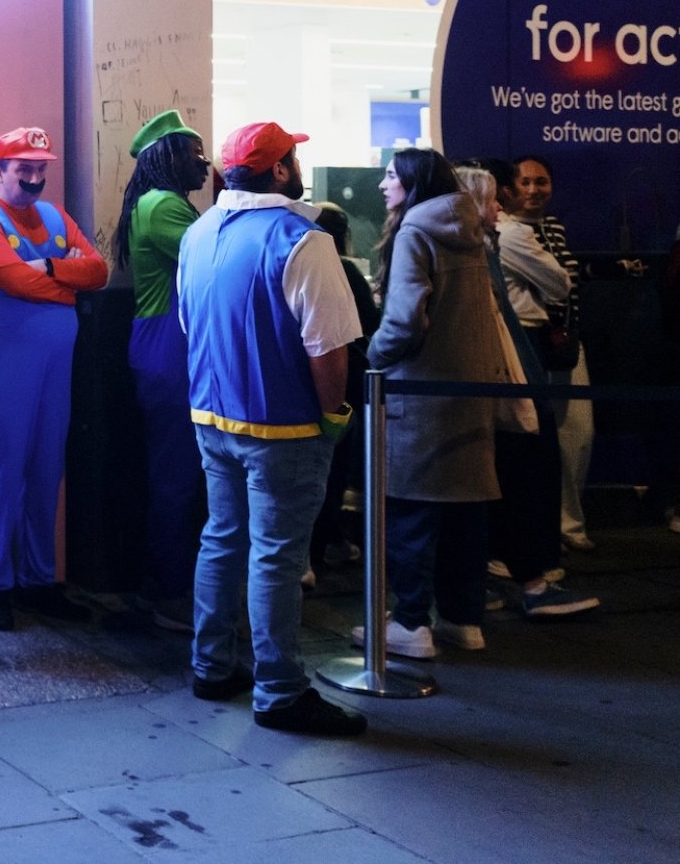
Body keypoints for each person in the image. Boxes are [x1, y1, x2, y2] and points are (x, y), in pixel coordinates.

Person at [175, 121, 366, 736]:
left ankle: (211, 666)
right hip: (283, 427)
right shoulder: (302, 240)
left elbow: (188, 323)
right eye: (293, 158)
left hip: (211, 417)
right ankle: (281, 691)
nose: (298, 167)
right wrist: (334, 416)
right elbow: (328, 347)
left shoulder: (200, 232)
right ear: (279, 170)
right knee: (278, 556)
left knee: (222, 539)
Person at [0, 126, 108, 628]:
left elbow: (99, 272)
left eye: (40, 167)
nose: (34, 175)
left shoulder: (54, 215)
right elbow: (14, 279)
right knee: (0, 473)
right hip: (0, 367)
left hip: (53, 366)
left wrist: (47, 268)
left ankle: (39, 581)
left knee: (47, 470)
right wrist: (66, 281)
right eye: (23, 167)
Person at [363, 149, 501, 659]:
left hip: (419, 394)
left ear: (414, 182)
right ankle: (464, 620)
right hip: (470, 393)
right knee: (465, 514)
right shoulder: (473, 232)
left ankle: (411, 622)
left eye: (391, 176)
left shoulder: (414, 231)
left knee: (411, 515)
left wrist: (372, 356)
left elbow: (404, 319)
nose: (382, 185)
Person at [459, 162, 599, 621]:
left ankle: (497, 578)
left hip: (508, 355)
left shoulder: (489, 240)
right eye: (495, 198)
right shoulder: (500, 240)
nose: (504, 206)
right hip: (508, 356)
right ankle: (517, 576)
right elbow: (559, 284)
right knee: (525, 461)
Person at [111, 110, 212, 631]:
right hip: (169, 348)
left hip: (165, 346)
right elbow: (213, 259)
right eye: (195, 154)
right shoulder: (164, 205)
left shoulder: (158, 203)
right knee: (176, 478)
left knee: (177, 475)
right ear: (168, 157)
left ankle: (168, 586)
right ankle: (169, 593)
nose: (205, 163)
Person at [512, 155, 595, 551]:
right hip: (531, 344)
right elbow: (556, 284)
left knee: (577, 434)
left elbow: (566, 284)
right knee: (539, 439)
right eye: (525, 182)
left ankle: (569, 523)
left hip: (566, 343)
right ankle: (547, 528)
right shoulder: (508, 231)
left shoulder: (554, 227)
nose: (533, 190)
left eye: (541, 181)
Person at [305, 203, 378, 581]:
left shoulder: (306, 265)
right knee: (332, 467)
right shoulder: (346, 270)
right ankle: (322, 545)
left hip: (309, 384)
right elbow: (370, 325)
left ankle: (316, 548)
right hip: (343, 384)